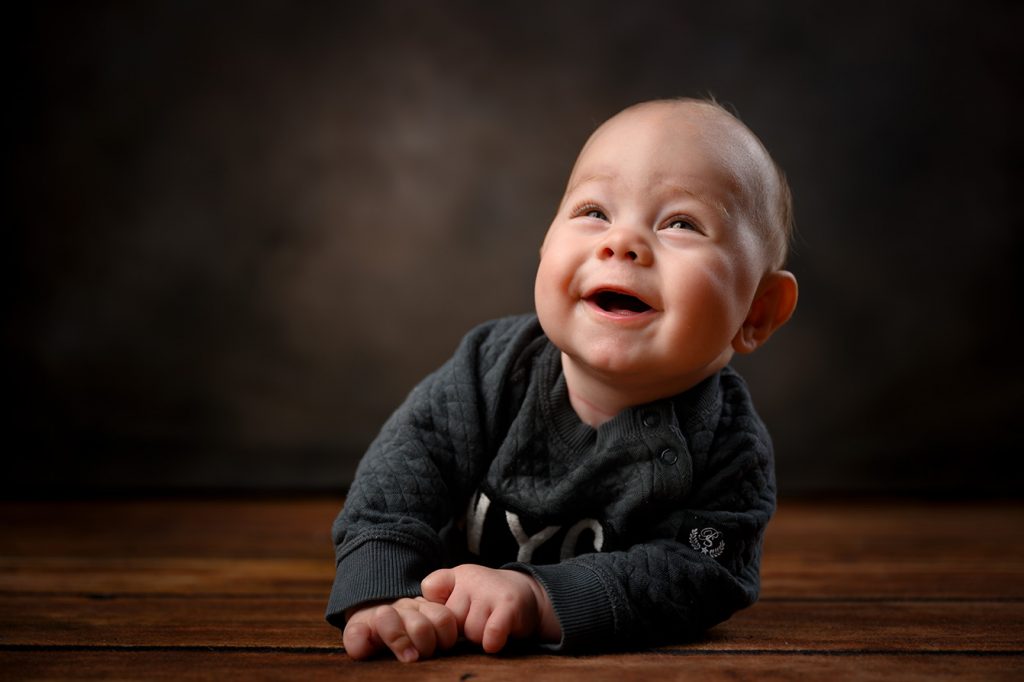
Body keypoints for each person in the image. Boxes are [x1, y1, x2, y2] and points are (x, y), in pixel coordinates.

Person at [325, 98, 799, 662]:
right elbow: (402, 471)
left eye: (681, 223)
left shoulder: (728, 446)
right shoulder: (492, 367)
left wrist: (538, 597)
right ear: (546, 245)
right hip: (438, 608)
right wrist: (383, 590)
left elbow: (698, 573)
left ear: (758, 311)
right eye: (595, 212)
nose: (621, 243)